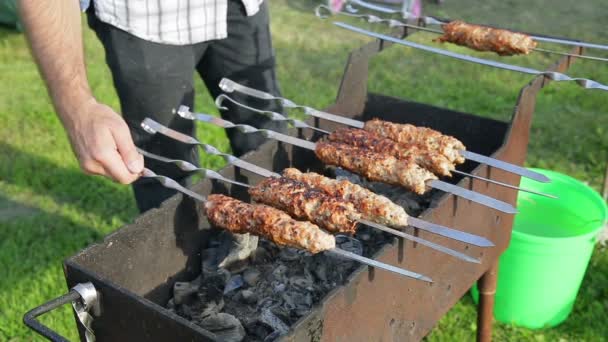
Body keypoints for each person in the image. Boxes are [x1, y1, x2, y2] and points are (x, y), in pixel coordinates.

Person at [19, 0, 285, 266]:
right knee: (163, 168)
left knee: (268, 138)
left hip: (242, 6)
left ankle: (279, 245)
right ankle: (190, 275)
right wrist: (77, 107)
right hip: (146, 20)